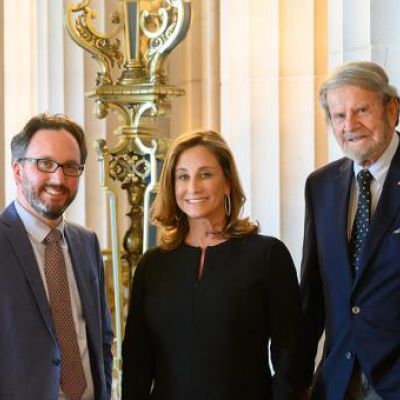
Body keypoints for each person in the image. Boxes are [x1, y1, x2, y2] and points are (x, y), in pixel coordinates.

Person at [122, 130, 308, 399]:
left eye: (205, 174)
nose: (193, 187)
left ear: (227, 182)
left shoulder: (266, 255)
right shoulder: (153, 265)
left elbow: (291, 352)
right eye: (183, 176)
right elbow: (137, 359)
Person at [301, 61, 400, 400]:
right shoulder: (320, 186)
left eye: (361, 110)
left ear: (391, 109)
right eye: (339, 116)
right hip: (340, 383)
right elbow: (312, 292)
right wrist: (298, 381)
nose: (350, 125)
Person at [0, 113, 113, 399]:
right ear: (17, 170)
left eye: (71, 167)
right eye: (45, 164)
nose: (58, 178)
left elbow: (101, 338)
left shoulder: (86, 242)